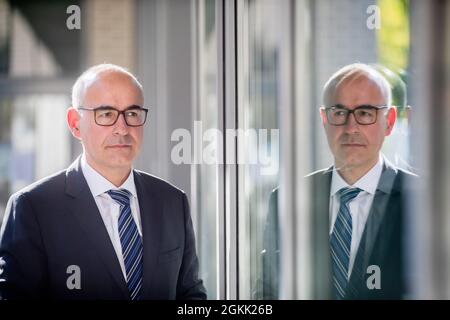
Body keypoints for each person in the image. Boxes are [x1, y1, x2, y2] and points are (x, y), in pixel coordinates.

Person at [0, 64, 206, 300]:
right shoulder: (33, 208)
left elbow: (191, 295)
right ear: (75, 123)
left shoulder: (173, 202)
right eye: (106, 114)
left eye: (132, 113)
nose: (122, 128)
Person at [261, 63, 415, 299]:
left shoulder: (425, 202)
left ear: (390, 121)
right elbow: (266, 293)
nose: (350, 127)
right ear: (324, 119)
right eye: (339, 113)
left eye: (365, 113)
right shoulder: (287, 200)